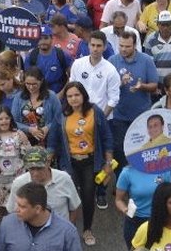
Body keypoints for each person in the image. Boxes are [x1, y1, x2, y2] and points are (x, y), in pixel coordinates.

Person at [48, 82, 114, 247]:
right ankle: (67, 229)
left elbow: (107, 137)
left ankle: (87, 230)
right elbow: (53, 140)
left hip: (90, 162)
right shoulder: (61, 114)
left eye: (77, 95)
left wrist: (108, 163)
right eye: (69, 96)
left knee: (87, 196)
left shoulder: (95, 111)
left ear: (83, 95)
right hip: (68, 162)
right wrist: (47, 161)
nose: (73, 99)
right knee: (66, 198)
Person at [107, 31, 159, 170]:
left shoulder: (146, 60)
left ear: (135, 45)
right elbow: (107, 88)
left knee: (142, 148)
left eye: (127, 46)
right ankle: (122, 179)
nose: (123, 49)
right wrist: (120, 83)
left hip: (141, 115)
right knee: (120, 149)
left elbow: (154, 85)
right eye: (121, 46)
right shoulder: (112, 61)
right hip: (119, 115)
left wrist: (142, 86)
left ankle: (141, 176)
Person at [0, 182, 82, 251]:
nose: (17, 210)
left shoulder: (67, 232)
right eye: (18, 204)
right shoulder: (7, 224)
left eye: (22, 207)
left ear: (38, 209)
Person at [6, 147, 81, 222]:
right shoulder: (19, 183)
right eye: (31, 169)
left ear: (48, 163)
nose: (36, 173)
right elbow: (12, 212)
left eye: (39, 168)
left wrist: (68, 227)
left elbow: (74, 208)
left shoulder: (64, 179)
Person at [115, 161, 171, 249]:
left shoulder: (163, 169)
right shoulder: (127, 173)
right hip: (135, 222)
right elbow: (118, 200)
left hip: (159, 220)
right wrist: (125, 209)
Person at [69, 30, 121, 121]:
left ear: (105, 47)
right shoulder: (77, 64)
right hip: (78, 116)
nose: (95, 49)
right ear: (88, 45)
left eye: (99, 46)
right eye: (93, 45)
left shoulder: (111, 70)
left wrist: (100, 119)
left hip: (101, 118)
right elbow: (71, 89)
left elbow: (113, 99)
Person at [12, 66, 63, 147]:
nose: (31, 87)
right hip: (25, 141)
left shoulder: (51, 96)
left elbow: (60, 118)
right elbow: (14, 122)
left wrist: (47, 127)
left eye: (34, 84)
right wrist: (29, 129)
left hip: (48, 140)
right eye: (27, 84)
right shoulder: (19, 97)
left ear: (41, 81)